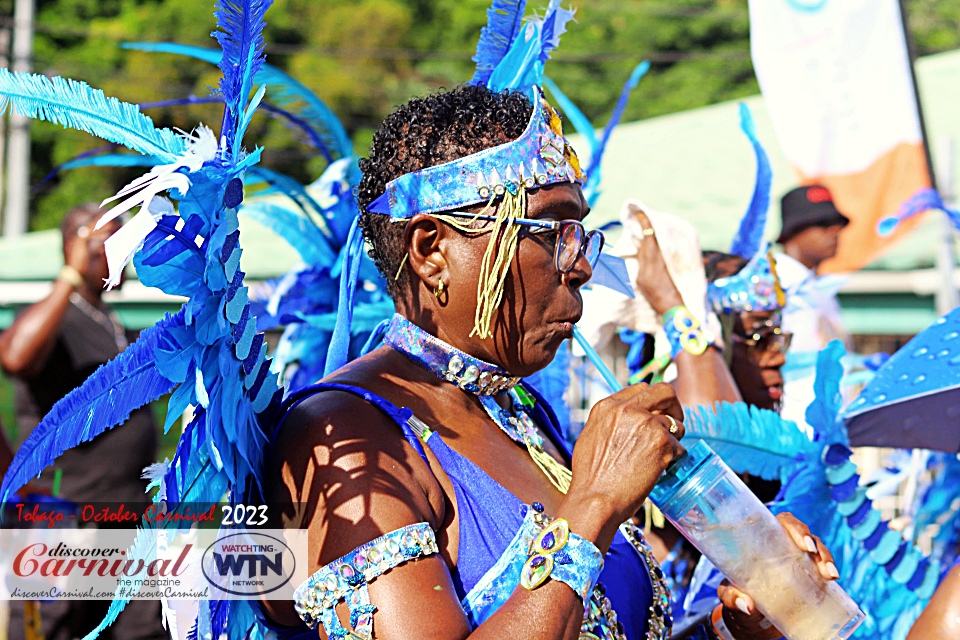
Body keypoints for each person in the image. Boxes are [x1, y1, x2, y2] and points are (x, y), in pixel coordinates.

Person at [260, 82, 840, 640]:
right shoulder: (343, 434)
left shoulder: (520, 412)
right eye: (550, 231)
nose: (582, 265)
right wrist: (594, 504)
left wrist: (733, 630)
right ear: (432, 250)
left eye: (580, 235)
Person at [0, 203, 165, 640]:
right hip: (63, 518)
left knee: (141, 633)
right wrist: (69, 277)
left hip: (126, 519)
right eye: (112, 243)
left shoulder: (111, 322)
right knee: (49, 632)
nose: (123, 255)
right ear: (79, 249)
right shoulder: (58, 318)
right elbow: (14, 357)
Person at [773, 185, 852, 428]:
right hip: (789, 426)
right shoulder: (772, 284)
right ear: (793, 231)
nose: (835, 231)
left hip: (828, 427)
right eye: (823, 223)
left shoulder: (823, 291)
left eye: (838, 223)